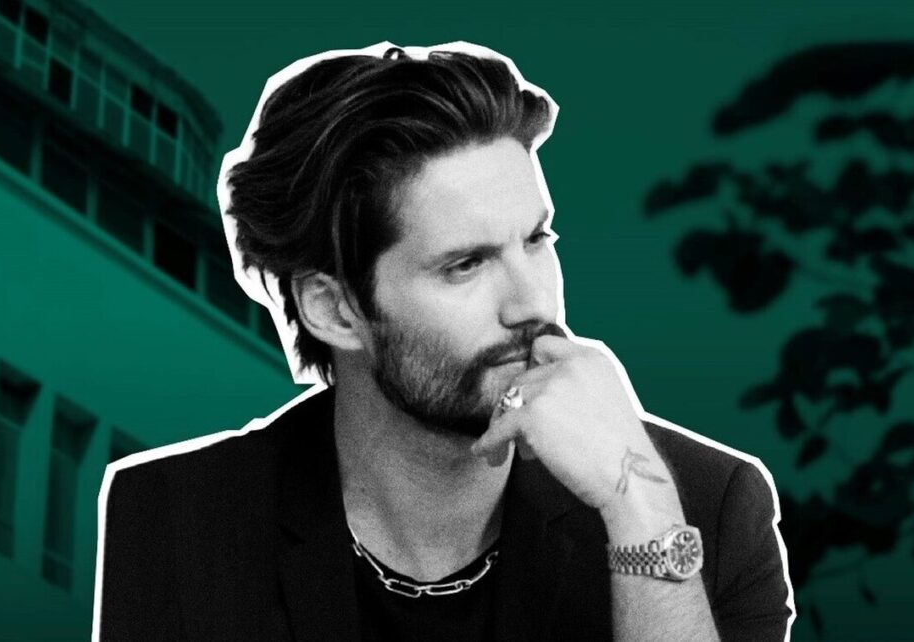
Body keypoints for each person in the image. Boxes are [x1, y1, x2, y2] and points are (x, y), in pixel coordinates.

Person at [95, 42, 794, 641]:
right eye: (465, 265)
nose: (531, 304)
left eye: (536, 239)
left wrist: (637, 507)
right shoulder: (181, 520)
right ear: (334, 310)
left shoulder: (711, 509)